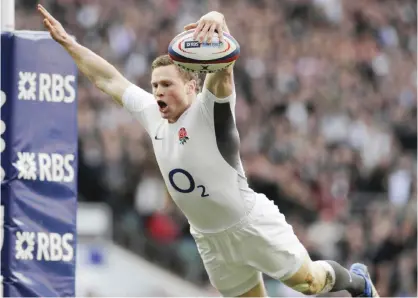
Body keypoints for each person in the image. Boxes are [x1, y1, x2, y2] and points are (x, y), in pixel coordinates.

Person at [38, 4, 379, 297]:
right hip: (209, 240)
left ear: (191, 86)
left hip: (250, 223)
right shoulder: (152, 114)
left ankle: (356, 280)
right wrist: (69, 43)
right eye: (155, 85)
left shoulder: (208, 109)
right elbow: (109, 80)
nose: (158, 92)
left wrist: (218, 18)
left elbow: (224, 70)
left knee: (310, 283)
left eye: (167, 85)